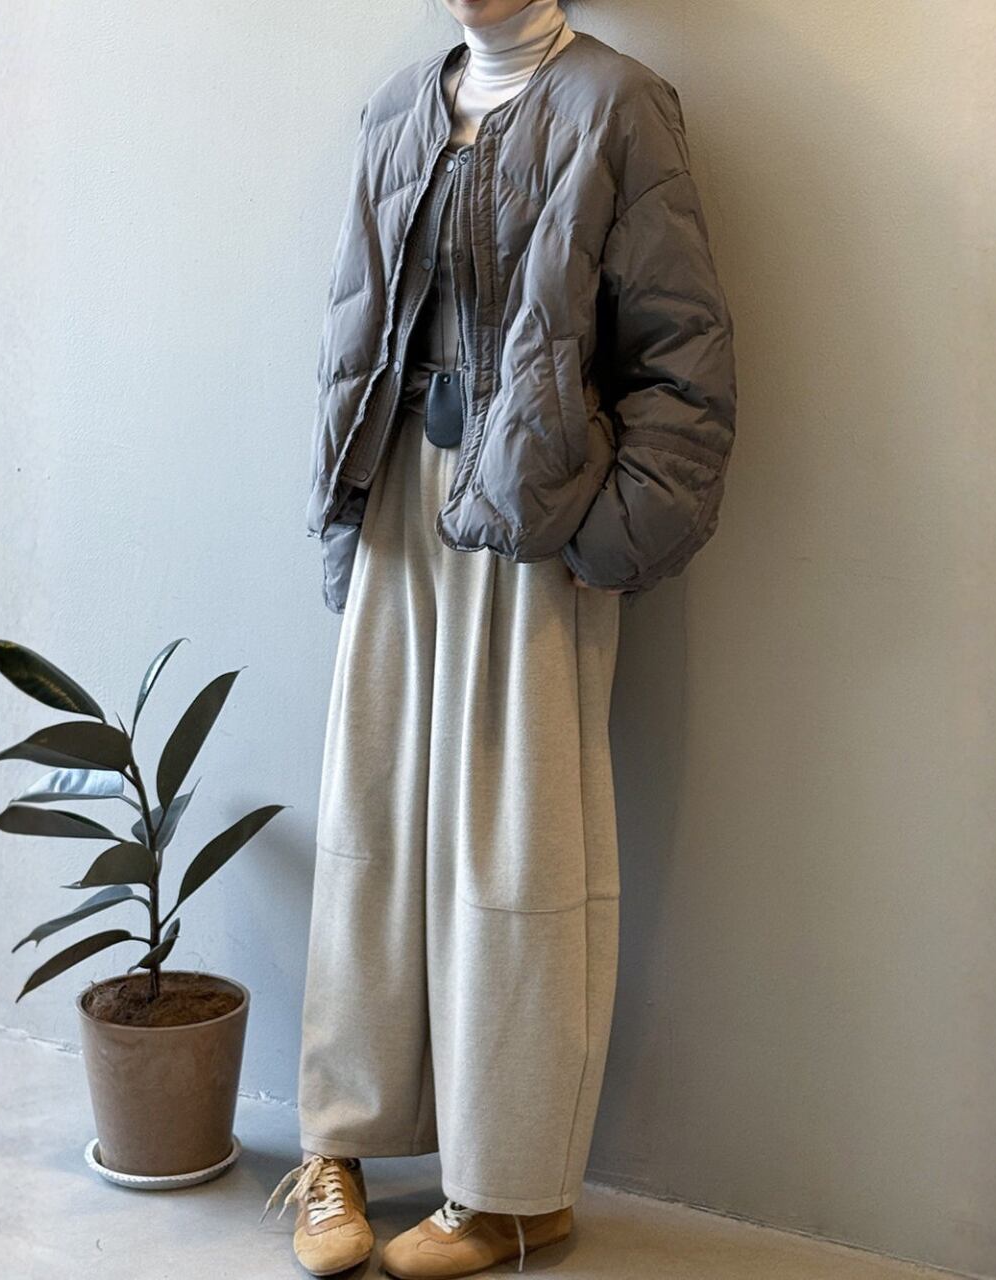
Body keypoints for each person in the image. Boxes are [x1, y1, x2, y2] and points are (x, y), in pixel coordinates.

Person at [264, 1, 737, 1275]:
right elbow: (351, 332)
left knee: (515, 844)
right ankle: (339, 1144)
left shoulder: (616, 106)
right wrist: (340, 515)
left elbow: (683, 365)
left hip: (533, 510)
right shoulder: (395, 110)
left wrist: (604, 542)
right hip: (394, 502)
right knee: (367, 827)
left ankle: (509, 1189)